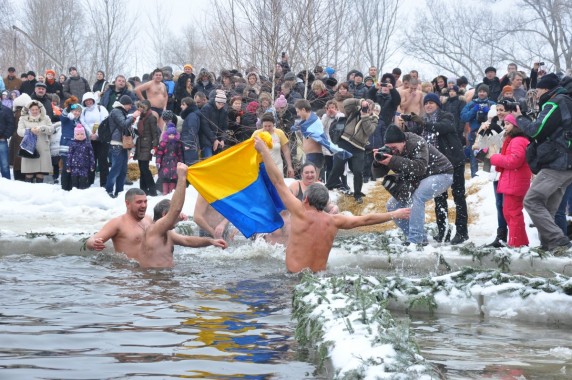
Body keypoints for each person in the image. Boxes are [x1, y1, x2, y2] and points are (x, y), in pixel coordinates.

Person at [254, 135, 410, 273]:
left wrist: (264, 151)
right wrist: (394, 214)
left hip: (294, 278)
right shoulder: (335, 221)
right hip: (320, 278)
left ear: (306, 199)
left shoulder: (299, 212)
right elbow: (366, 219)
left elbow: (278, 182)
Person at [86, 163, 227, 267]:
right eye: (139, 202)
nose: (143, 205)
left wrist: (210, 241)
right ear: (127, 204)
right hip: (129, 272)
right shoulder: (118, 223)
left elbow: (182, 239)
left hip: (150, 269)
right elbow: (91, 240)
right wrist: (92, 243)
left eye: (145, 202)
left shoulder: (148, 220)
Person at [372, 124, 454, 246]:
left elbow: (420, 167)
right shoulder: (392, 150)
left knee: (418, 197)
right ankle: (417, 237)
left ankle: (416, 240)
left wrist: (393, 160)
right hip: (420, 179)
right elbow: (377, 174)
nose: (393, 151)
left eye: (394, 147)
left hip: (442, 174)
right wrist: (378, 162)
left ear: (403, 142)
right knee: (392, 206)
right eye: (389, 148)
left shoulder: (417, 142)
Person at [519, 73, 572, 253]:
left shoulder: (555, 102)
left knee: (532, 201)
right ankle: (549, 247)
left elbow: (536, 131)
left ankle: (558, 240)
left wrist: (520, 118)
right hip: (566, 165)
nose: (536, 93)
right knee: (548, 206)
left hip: (558, 163)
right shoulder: (567, 101)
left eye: (538, 89)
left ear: (546, 89)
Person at [417, 93, 468, 244]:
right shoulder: (423, 120)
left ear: (438, 104)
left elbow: (442, 128)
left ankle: (462, 232)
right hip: (436, 166)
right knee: (439, 199)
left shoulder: (447, 116)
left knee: (458, 197)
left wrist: (422, 123)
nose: (428, 105)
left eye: (432, 102)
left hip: (454, 162)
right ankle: (443, 231)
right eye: (426, 103)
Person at [489, 114, 532, 248]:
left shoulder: (518, 140)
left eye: (508, 124)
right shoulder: (514, 140)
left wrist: (495, 158)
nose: (505, 126)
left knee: (513, 213)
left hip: (515, 181)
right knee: (509, 212)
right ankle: (519, 242)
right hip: (513, 181)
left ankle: (517, 244)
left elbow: (515, 160)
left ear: (516, 125)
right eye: (505, 124)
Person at [325, 98, 378, 204]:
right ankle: (327, 188)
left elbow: (368, 130)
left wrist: (365, 116)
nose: (366, 109)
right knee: (337, 167)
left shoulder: (374, 119)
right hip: (345, 142)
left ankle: (357, 193)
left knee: (358, 171)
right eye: (366, 106)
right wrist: (360, 101)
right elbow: (345, 103)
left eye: (369, 108)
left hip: (359, 147)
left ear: (372, 109)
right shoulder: (354, 110)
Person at [105, 95, 140, 198]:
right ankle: (109, 191)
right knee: (116, 169)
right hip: (117, 144)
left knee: (123, 170)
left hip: (122, 145)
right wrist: (133, 116)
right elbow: (124, 124)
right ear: (125, 104)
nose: (130, 107)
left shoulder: (121, 112)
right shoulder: (116, 111)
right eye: (129, 105)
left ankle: (119, 192)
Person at [17, 100, 54, 183]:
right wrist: (30, 131)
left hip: (42, 147)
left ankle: (39, 192)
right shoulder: (23, 118)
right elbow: (19, 131)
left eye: (36, 109)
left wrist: (42, 128)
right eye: (32, 109)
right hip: (29, 147)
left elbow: (51, 129)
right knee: (29, 173)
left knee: (40, 173)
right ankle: (28, 192)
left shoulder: (46, 118)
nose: (35, 111)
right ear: (29, 110)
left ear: (40, 109)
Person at [252, 112, 294, 178]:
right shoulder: (257, 133)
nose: (267, 128)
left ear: (273, 125)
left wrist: (289, 166)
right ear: (262, 125)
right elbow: (251, 150)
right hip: (262, 166)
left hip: (277, 164)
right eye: (265, 126)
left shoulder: (279, 132)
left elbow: (285, 150)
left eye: (269, 126)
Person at [134, 100, 159, 196]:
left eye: (141, 107)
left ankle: (152, 190)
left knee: (144, 168)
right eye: (139, 107)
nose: (139, 109)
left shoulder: (151, 118)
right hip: (141, 144)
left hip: (147, 145)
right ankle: (143, 189)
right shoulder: (141, 117)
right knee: (141, 167)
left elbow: (154, 133)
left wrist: (155, 146)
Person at [156, 124, 184, 195]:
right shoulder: (163, 143)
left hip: (175, 163)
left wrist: (181, 162)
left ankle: (171, 191)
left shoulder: (178, 144)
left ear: (175, 135)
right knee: (165, 178)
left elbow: (180, 154)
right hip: (165, 163)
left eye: (173, 134)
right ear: (167, 135)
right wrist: (158, 162)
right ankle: (165, 191)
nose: (171, 136)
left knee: (173, 178)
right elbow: (159, 153)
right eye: (170, 134)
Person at [67, 124, 95, 189]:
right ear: (75, 135)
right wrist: (68, 166)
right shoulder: (72, 144)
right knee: (74, 182)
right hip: (74, 166)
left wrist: (92, 165)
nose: (80, 136)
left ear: (84, 135)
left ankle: (82, 194)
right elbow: (69, 155)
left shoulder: (87, 144)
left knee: (83, 182)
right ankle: (75, 194)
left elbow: (91, 155)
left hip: (84, 166)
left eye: (82, 134)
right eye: (78, 134)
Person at [0, 101, 16, 179]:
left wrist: (5, 136)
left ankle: (7, 184)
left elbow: (11, 124)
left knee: (4, 165)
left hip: (1, 140)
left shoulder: (6, 110)